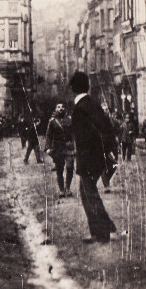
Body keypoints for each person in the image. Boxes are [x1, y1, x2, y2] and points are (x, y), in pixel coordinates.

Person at [69, 71, 118, 244]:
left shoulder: (79, 109)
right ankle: (105, 226)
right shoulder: (92, 104)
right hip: (97, 158)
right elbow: (107, 129)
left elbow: (83, 138)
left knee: (88, 194)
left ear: (73, 89)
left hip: (88, 158)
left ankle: (102, 232)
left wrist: (81, 158)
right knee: (88, 193)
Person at [44, 103, 75, 198]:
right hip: (58, 148)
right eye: (58, 107)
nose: (61, 108)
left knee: (70, 167)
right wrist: (48, 147)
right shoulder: (52, 121)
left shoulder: (69, 119)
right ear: (56, 109)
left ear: (64, 108)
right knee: (59, 170)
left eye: (62, 107)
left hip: (69, 147)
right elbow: (48, 135)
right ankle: (61, 190)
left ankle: (68, 188)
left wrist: (75, 144)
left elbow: (74, 133)